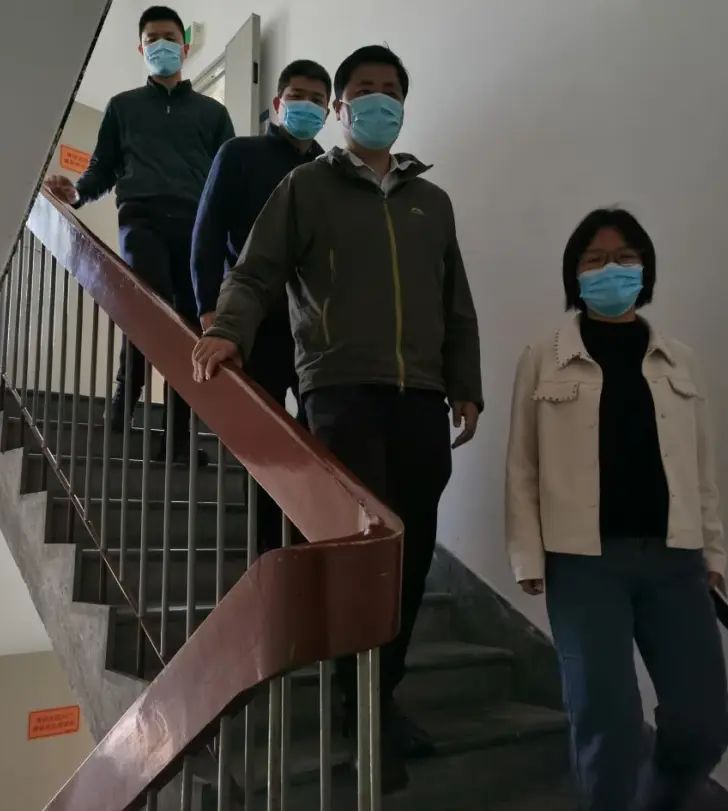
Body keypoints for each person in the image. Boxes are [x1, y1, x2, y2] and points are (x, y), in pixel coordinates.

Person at [191, 45, 483, 791]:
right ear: (342, 108)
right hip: (340, 392)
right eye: (363, 90)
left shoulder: (432, 202)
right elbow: (256, 268)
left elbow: (455, 301)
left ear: (403, 104)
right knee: (362, 555)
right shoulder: (305, 186)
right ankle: (360, 708)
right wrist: (227, 329)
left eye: (390, 90)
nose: (378, 100)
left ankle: (382, 694)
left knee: (412, 554)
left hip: (421, 397)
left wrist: (465, 384)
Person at [505, 208, 728, 811]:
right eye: (595, 259)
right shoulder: (544, 356)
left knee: (704, 722)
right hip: (584, 564)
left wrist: (713, 555)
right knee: (607, 722)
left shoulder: (680, 360)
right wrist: (527, 554)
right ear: (574, 274)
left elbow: (701, 469)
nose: (611, 269)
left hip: (676, 560)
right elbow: (523, 466)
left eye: (625, 258)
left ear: (646, 269)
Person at [44, 5, 233, 460]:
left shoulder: (212, 113)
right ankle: (121, 406)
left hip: (196, 226)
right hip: (141, 218)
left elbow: (226, 178)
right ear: (141, 47)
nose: (161, 45)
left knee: (188, 326)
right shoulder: (123, 107)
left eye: (169, 37)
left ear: (184, 46)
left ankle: (177, 440)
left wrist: (228, 240)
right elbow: (102, 168)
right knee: (151, 310)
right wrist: (77, 194)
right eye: (152, 39)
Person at [190, 58, 332, 553]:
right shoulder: (239, 154)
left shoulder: (327, 171)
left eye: (317, 100)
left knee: (319, 440)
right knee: (267, 443)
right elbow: (207, 233)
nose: (307, 107)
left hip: (313, 328)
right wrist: (210, 309)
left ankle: (309, 543)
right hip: (255, 323)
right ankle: (266, 552)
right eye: (298, 96)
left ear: (330, 111)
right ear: (276, 103)